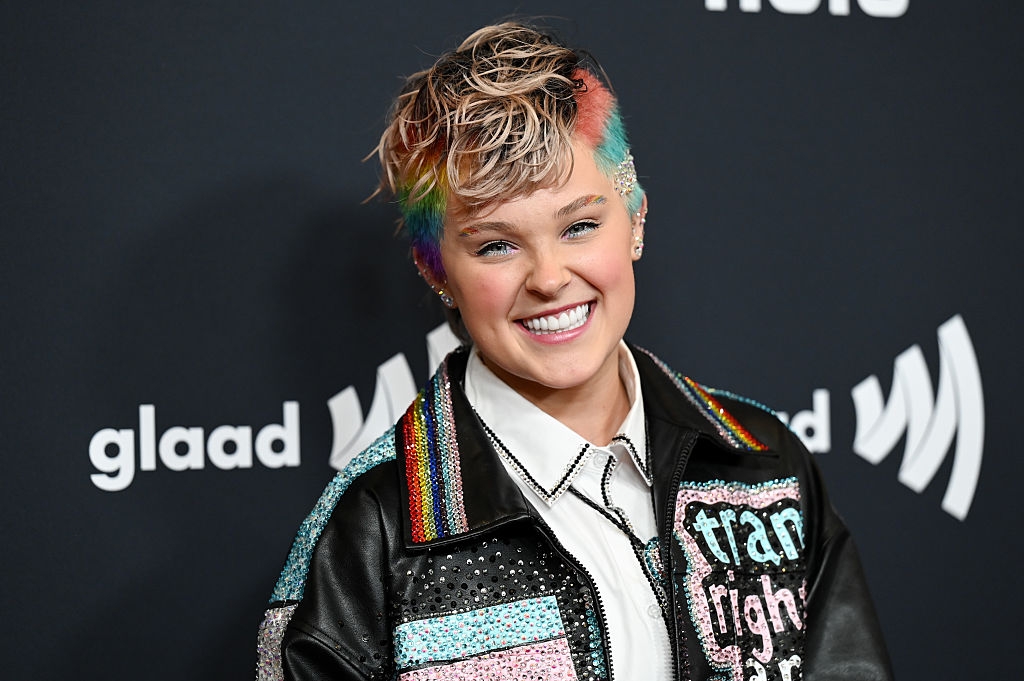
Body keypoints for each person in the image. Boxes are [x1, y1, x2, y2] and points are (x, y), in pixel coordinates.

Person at [256, 21, 892, 681]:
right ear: (435, 270)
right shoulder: (371, 529)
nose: (550, 277)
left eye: (580, 226)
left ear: (637, 216)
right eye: (496, 244)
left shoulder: (763, 464)